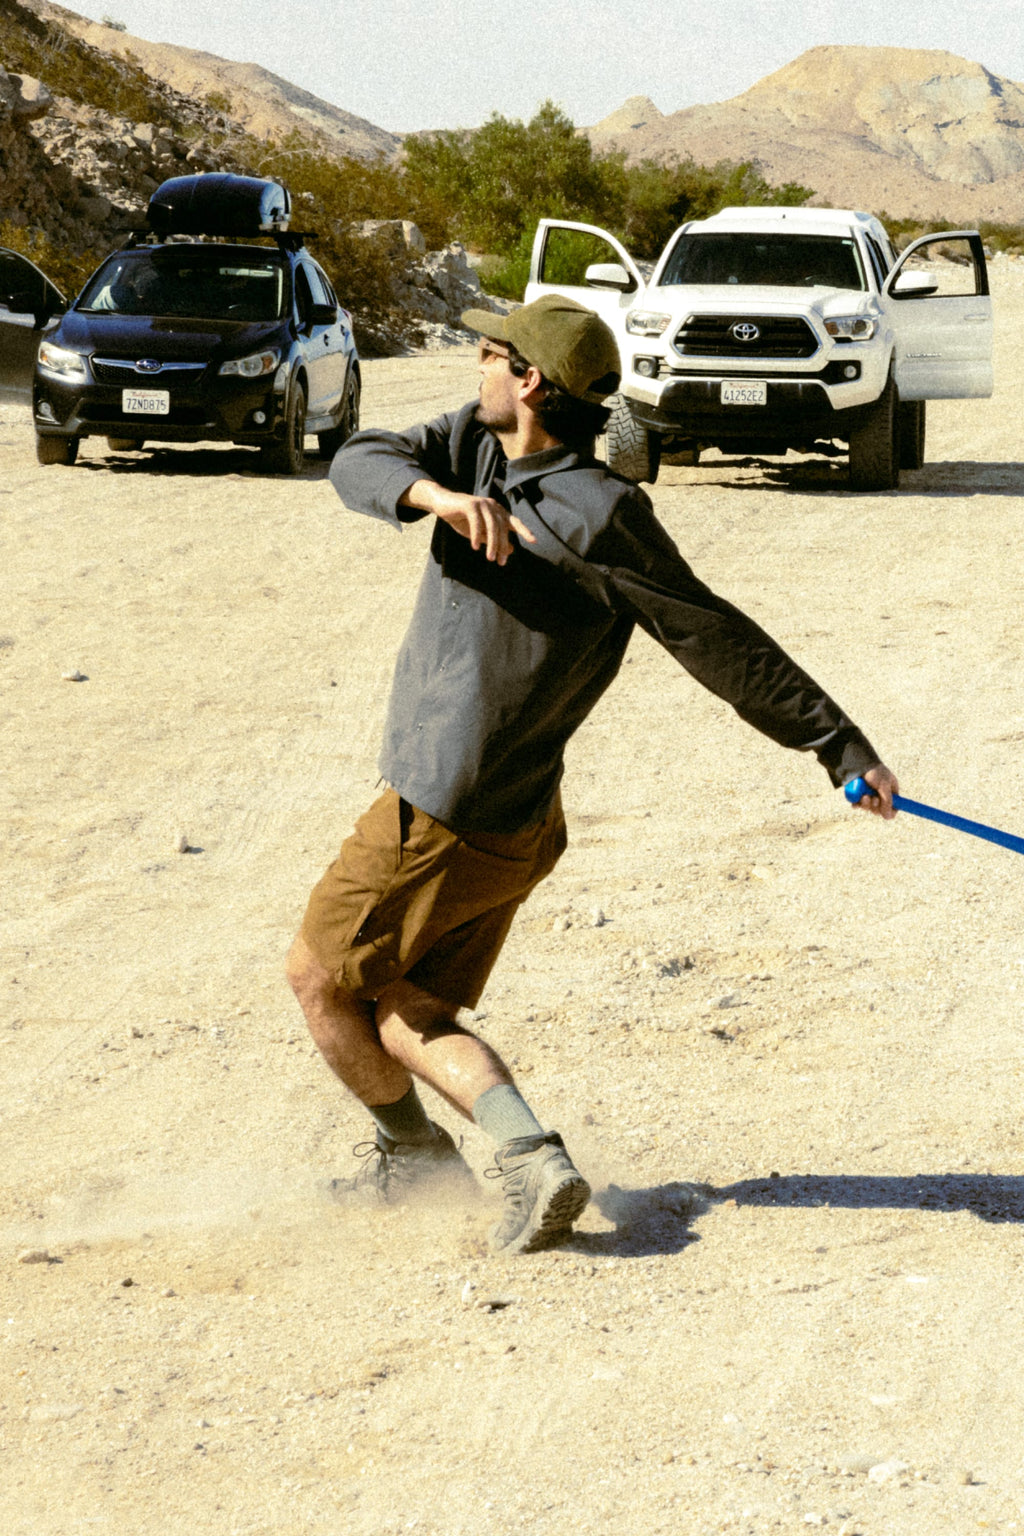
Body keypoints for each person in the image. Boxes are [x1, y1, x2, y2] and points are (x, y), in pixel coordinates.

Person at [286, 293, 899, 1255]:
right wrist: (440, 500)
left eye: (490, 356)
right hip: (520, 820)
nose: (477, 370)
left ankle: (416, 1157)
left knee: (319, 980)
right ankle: (532, 1160)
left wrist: (836, 744)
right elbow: (360, 456)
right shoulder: (470, 451)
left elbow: (715, 635)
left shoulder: (603, 514)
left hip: (444, 810)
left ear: (528, 381)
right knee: (409, 1009)